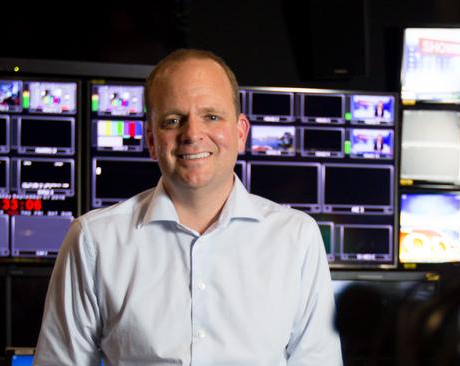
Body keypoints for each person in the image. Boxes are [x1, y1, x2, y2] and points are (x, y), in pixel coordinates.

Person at [33, 49, 342, 366]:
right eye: (173, 120)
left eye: (211, 116)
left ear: (240, 133)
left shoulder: (297, 238)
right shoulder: (93, 241)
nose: (192, 134)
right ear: (152, 141)